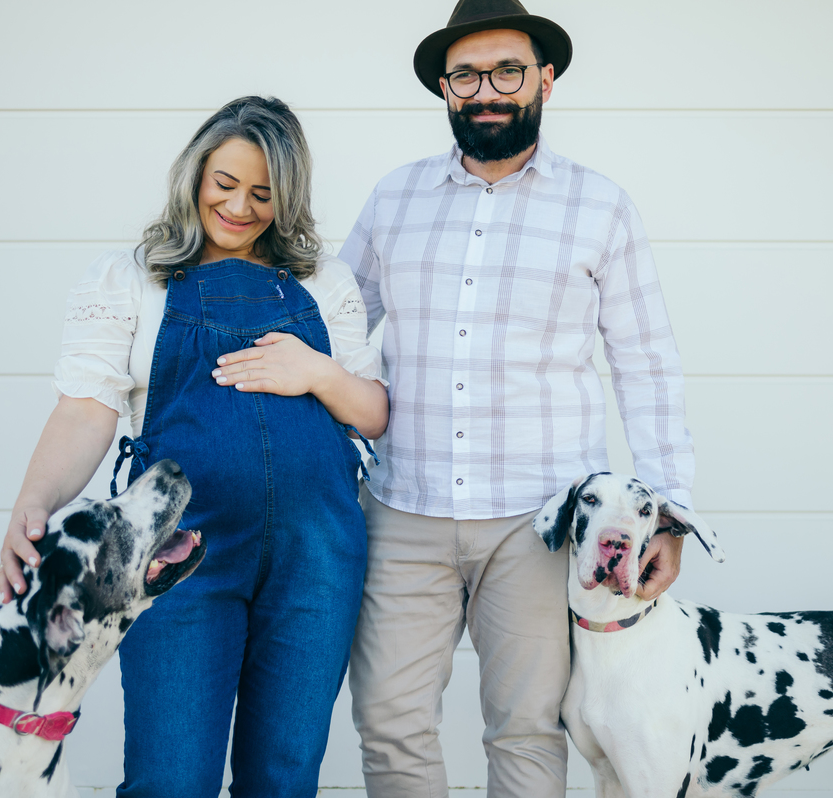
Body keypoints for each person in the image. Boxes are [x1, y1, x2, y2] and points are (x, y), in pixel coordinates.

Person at [0, 96, 388, 797]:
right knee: (171, 780)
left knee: (284, 780)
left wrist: (317, 372)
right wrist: (33, 502)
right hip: (175, 556)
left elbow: (373, 413)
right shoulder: (129, 280)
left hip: (317, 557)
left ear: (288, 198)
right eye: (224, 184)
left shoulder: (324, 282)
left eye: (264, 193)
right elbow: (85, 411)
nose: (239, 206)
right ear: (194, 174)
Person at [338, 1, 696, 795]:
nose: (486, 89)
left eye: (507, 70)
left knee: (528, 728)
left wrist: (667, 514)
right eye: (466, 73)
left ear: (546, 79)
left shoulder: (600, 207)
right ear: (444, 86)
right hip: (404, 509)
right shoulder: (393, 200)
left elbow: (646, 365)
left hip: (540, 520)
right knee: (389, 722)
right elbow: (332, 332)